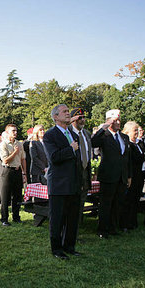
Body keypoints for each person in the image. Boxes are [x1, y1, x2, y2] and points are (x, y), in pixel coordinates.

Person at [43, 104, 82, 259]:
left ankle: (70, 246)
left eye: (68, 111)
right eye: (64, 112)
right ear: (55, 117)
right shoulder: (50, 135)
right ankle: (57, 249)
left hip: (74, 183)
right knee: (58, 219)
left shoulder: (74, 135)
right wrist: (70, 149)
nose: (68, 114)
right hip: (59, 184)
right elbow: (53, 158)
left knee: (72, 218)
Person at [91, 109, 131, 239]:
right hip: (108, 175)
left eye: (119, 120)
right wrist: (104, 126)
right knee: (106, 204)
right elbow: (93, 142)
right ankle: (102, 229)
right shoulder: (104, 135)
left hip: (121, 176)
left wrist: (128, 175)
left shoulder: (124, 137)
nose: (118, 123)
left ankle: (113, 227)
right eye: (115, 120)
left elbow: (126, 158)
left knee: (117, 203)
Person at [119, 122, 145, 231]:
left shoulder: (139, 143)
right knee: (129, 199)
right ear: (127, 132)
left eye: (137, 131)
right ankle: (126, 223)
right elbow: (136, 158)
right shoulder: (127, 144)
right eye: (134, 131)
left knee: (136, 198)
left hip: (141, 174)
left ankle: (133, 222)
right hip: (132, 174)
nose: (137, 133)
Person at [0, 124, 26, 226]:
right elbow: (5, 160)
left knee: (17, 195)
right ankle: (4, 219)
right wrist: (15, 152)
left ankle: (16, 217)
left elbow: (23, 159)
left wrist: (24, 173)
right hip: (7, 171)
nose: (15, 133)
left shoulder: (19, 144)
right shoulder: (3, 144)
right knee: (5, 196)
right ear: (7, 133)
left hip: (17, 171)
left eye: (16, 130)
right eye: (13, 131)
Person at [68, 108, 92, 224]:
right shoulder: (68, 132)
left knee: (81, 203)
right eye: (79, 118)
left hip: (84, 172)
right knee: (71, 205)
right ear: (73, 120)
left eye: (83, 118)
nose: (82, 120)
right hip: (73, 174)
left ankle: (77, 228)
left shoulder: (86, 133)